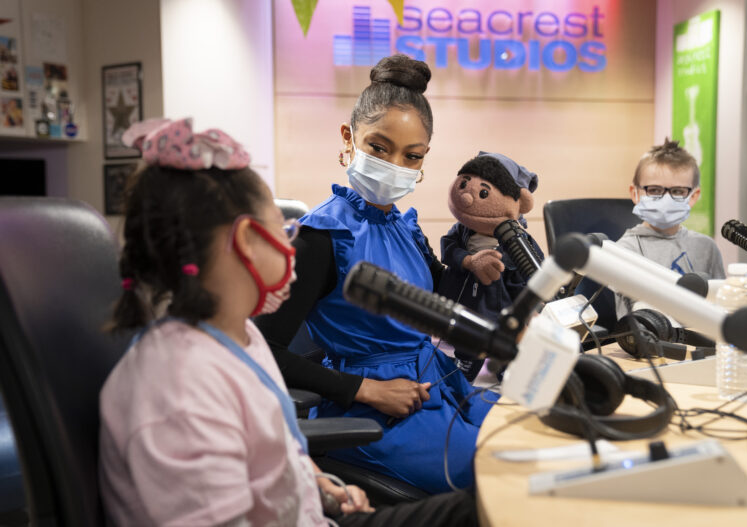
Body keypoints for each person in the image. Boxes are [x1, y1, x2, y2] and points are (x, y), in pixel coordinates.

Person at [99, 117, 478, 526]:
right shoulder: (178, 392)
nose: (293, 239)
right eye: (285, 229)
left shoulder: (240, 337)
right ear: (248, 241)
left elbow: (275, 445)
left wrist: (320, 485)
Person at [256, 54, 496, 495]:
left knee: (531, 432)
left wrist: (475, 258)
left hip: (435, 384)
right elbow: (261, 350)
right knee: (500, 471)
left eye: (412, 156)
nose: (394, 165)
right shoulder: (320, 238)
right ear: (348, 138)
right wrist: (365, 389)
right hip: (372, 411)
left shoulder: (405, 228)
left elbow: (442, 299)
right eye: (380, 148)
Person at [437, 152, 543, 381]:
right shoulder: (461, 231)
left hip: (500, 311)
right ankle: (464, 368)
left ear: (520, 202)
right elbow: (448, 249)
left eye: (484, 193)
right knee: (466, 348)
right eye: (464, 184)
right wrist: (468, 261)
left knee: (507, 353)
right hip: (463, 305)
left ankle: (507, 368)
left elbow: (530, 278)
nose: (466, 198)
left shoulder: (519, 242)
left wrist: (530, 312)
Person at [615, 138, 725, 319]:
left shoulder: (706, 248)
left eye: (678, 191)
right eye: (654, 190)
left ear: (693, 196)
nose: (666, 199)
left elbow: (721, 306)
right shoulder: (624, 251)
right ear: (635, 193)